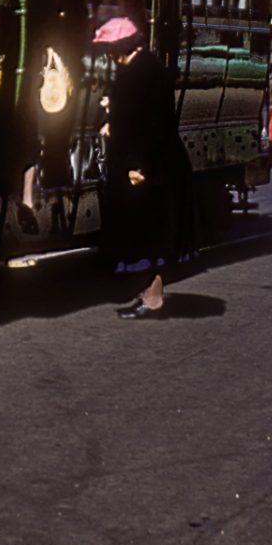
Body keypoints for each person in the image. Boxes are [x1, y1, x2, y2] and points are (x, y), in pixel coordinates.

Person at [95, 16, 190, 319]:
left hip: (148, 166)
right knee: (151, 240)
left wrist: (141, 167)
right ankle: (150, 295)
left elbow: (153, 123)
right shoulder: (141, 67)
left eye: (111, 48)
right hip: (144, 163)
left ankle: (152, 297)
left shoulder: (142, 71)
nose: (110, 54)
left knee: (150, 237)